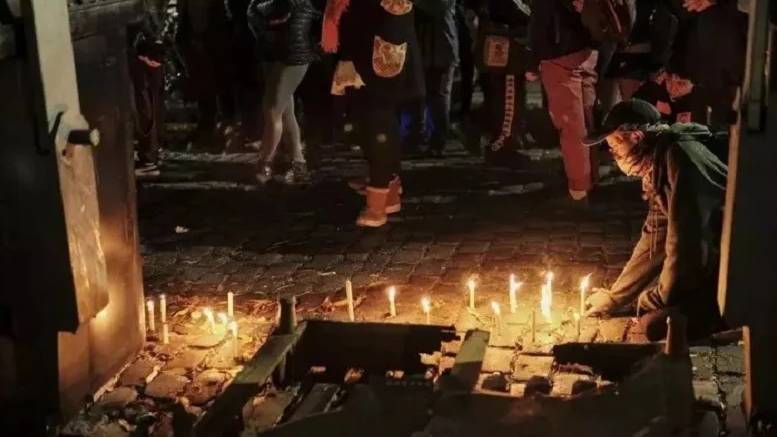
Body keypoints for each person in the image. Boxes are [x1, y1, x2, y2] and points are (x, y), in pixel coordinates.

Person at [583, 99, 727, 339]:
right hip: (716, 258)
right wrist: (615, 296)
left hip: (741, 263)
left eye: (614, 146)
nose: (613, 155)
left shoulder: (679, 158)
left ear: (636, 137)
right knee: (659, 316)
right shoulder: (660, 161)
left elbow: (687, 243)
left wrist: (659, 297)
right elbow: (655, 235)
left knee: (656, 326)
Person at [322, 0, 425, 227]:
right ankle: (389, 189)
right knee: (369, 122)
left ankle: (378, 201)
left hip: (381, 54)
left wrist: (384, 55)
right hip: (362, 51)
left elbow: (396, 14)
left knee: (378, 123)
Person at [527, 0, 598, 203]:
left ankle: (579, 188)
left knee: (571, 125)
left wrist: (533, 62)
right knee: (586, 117)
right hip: (587, 49)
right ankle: (590, 178)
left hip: (559, 52)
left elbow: (541, 18)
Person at [248, 0, 321, 184]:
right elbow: (253, 12)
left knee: (273, 110)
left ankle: (264, 162)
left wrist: (263, 18)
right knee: (284, 110)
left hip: (293, 53)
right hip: (271, 52)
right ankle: (298, 162)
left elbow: (283, 12)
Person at [405, 0, 459, 157]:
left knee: (437, 96)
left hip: (440, 50)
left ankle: (436, 142)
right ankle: (412, 139)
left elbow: (438, 7)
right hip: (419, 49)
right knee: (413, 96)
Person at [128, 1, 168, 177]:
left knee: (144, 104)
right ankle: (153, 152)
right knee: (151, 101)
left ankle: (149, 158)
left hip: (143, 50)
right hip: (150, 48)